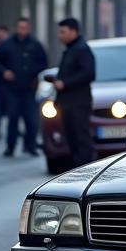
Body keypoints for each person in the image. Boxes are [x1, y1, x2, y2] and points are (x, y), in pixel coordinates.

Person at [0, 16, 48, 157]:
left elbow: (44, 63)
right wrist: (4, 72)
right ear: (16, 28)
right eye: (20, 27)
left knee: (31, 119)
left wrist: (32, 71)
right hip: (12, 89)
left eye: (25, 28)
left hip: (29, 88)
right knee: (13, 118)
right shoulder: (6, 45)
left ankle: (30, 145)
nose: (22, 30)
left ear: (29, 29)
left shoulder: (35, 45)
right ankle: (10, 146)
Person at [53, 17, 95, 167]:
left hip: (78, 104)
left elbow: (89, 73)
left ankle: (85, 169)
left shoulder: (81, 49)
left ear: (74, 31)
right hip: (68, 104)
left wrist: (65, 83)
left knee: (81, 139)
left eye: (63, 32)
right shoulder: (71, 49)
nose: (60, 36)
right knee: (72, 139)